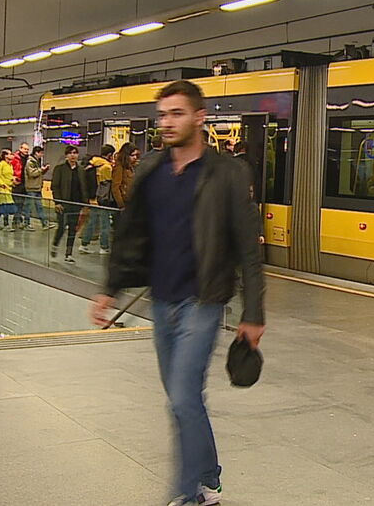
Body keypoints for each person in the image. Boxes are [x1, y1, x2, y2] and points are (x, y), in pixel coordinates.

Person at [91, 80, 265, 506]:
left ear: (199, 118)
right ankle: (207, 472)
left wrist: (254, 312)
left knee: (184, 398)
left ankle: (187, 495)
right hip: (162, 301)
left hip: (203, 301)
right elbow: (130, 234)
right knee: (181, 400)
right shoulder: (150, 170)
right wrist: (109, 289)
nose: (167, 123)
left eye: (176, 114)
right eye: (162, 115)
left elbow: (248, 246)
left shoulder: (227, 173)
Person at [50, 145, 87, 263]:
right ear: (66, 155)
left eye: (75, 153)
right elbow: (55, 186)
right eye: (70, 153)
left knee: (72, 229)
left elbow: (83, 188)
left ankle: (68, 254)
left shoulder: (81, 170)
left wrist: (85, 204)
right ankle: (55, 245)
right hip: (63, 204)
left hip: (76, 204)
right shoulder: (59, 169)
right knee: (61, 227)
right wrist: (57, 201)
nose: (73, 155)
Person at [80, 144, 115, 255]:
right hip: (103, 199)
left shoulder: (93, 163)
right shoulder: (106, 167)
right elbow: (109, 182)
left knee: (92, 222)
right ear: (109, 155)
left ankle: (84, 244)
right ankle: (104, 247)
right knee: (105, 223)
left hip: (93, 198)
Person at [24, 145, 53, 230]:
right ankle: (26, 223)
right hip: (31, 187)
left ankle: (44, 223)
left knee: (39, 206)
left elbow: (38, 173)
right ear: (36, 153)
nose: (42, 155)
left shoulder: (36, 161)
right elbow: (32, 173)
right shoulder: (30, 162)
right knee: (28, 207)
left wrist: (44, 170)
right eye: (41, 153)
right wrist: (41, 169)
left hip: (37, 187)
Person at [0, 149, 17, 231]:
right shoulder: (0, 165)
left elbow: (9, 175)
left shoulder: (10, 165)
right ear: (5, 156)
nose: (12, 155)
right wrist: (2, 184)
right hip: (2, 189)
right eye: (10, 154)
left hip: (8, 188)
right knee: (5, 206)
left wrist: (13, 180)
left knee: (3, 206)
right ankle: (6, 224)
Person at [111, 142, 139, 209]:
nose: (135, 157)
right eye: (132, 155)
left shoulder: (133, 167)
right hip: (124, 203)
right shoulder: (119, 167)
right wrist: (121, 205)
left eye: (136, 155)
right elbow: (115, 187)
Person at [10, 143, 30, 229]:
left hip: (26, 183)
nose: (26, 151)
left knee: (22, 204)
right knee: (18, 203)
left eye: (27, 149)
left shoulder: (29, 159)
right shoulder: (15, 158)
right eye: (25, 149)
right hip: (17, 183)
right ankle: (17, 220)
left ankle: (17, 219)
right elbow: (10, 169)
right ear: (20, 148)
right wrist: (12, 178)